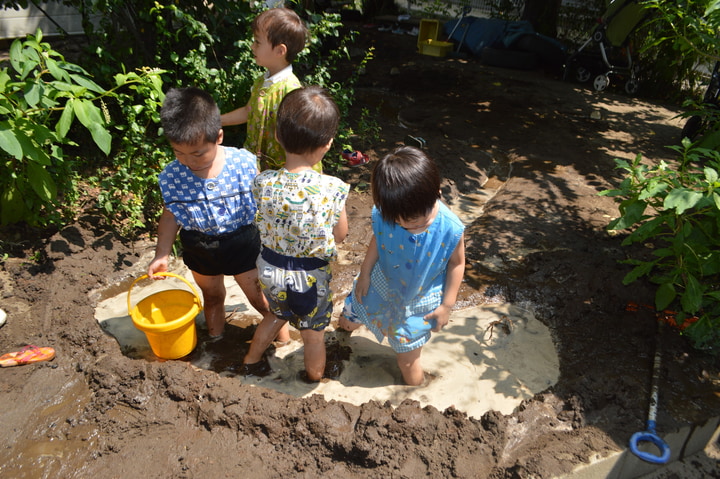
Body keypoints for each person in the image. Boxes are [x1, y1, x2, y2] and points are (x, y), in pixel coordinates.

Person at [147, 87, 288, 343]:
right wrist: (162, 254)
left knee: (260, 298)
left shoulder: (242, 163)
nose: (189, 161)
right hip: (199, 245)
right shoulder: (172, 175)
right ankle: (216, 343)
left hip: (242, 241)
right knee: (212, 298)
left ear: (219, 137)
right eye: (179, 152)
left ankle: (285, 344)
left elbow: (266, 201)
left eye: (198, 153)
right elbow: (170, 215)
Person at [242, 86, 349, 382]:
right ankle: (313, 379)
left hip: (270, 270)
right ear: (327, 144)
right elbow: (340, 234)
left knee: (275, 315)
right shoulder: (333, 188)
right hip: (310, 278)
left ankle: (250, 361)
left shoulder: (262, 181)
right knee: (313, 336)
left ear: (278, 135)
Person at [338, 146, 466, 386]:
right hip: (379, 285)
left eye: (418, 221)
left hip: (416, 301)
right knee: (348, 319)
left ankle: (417, 395)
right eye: (401, 221)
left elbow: (457, 264)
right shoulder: (386, 213)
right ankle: (343, 332)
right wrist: (364, 274)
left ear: (436, 194)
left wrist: (447, 306)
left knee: (407, 362)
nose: (410, 227)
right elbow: (378, 239)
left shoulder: (450, 228)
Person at [220, 8, 322, 173]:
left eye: (258, 42)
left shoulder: (291, 90)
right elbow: (249, 111)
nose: (252, 46)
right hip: (258, 169)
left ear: (280, 51)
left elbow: (298, 138)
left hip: (282, 173)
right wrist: (218, 121)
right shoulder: (262, 81)